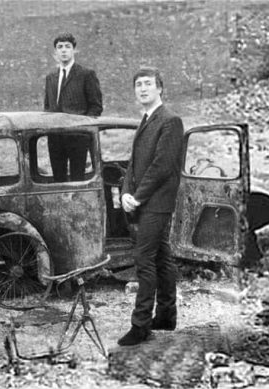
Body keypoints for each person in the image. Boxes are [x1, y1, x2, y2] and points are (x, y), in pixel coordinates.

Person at [117, 66, 184, 346]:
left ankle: (141, 324)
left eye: (148, 84)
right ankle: (166, 316)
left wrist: (138, 196)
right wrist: (124, 192)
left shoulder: (170, 120)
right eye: (138, 85)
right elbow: (133, 165)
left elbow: (162, 166)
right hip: (145, 199)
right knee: (161, 257)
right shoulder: (145, 119)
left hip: (157, 202)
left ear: (160, 89)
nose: (142, 89)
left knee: (144, 257)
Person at [44, 32, 103, 182]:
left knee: (78, 179)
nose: (63, 50)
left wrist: (83, 130)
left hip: (78, 138)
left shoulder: (86, 74)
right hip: (55, 137)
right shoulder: (50, 77)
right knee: (59, 180)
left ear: (74, 50)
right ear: (55, 52)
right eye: (60, 47)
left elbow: (96, 106)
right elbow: (47, 107)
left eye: (67, 47)